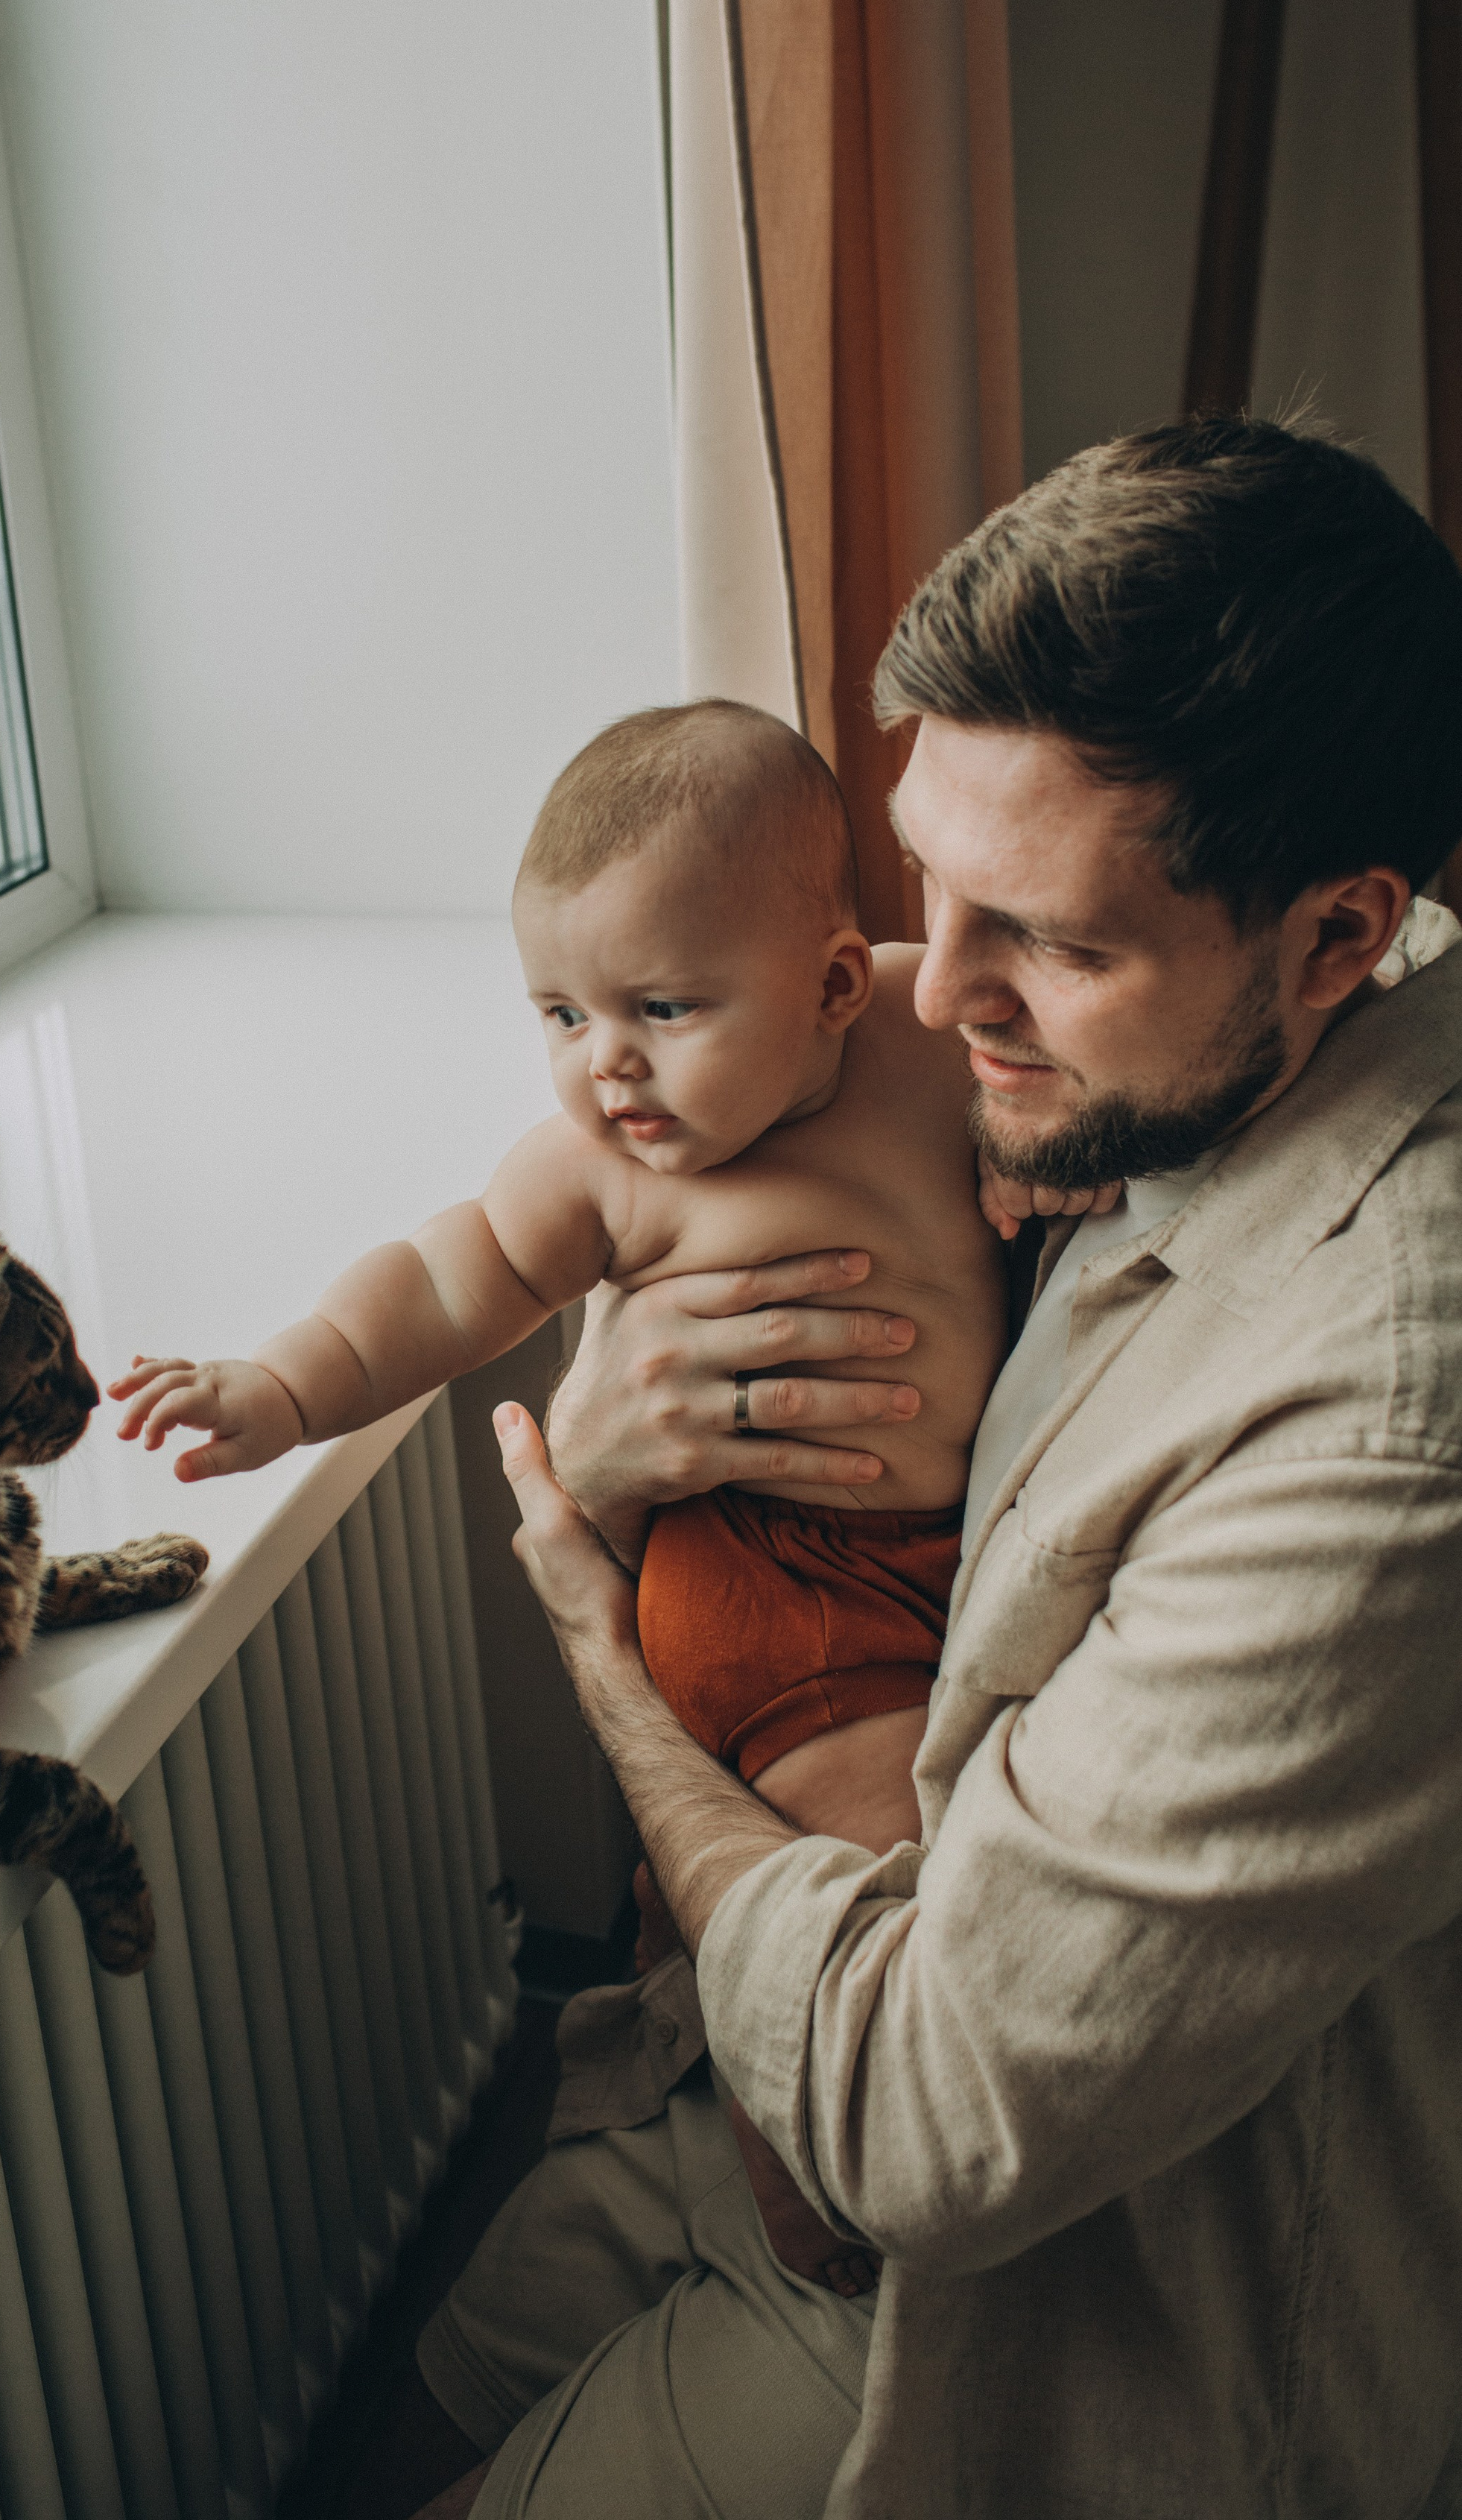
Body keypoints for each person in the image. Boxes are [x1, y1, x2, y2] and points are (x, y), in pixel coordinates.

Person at [399, 416, 1462, 2520]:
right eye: (924, 883)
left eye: (1048, 940)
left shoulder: (1385, 1422)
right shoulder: (1172, 1053)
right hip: (750, 2040)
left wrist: (608, 1660)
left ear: (1339, 938)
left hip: (1031, 2303)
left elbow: (923, 2126)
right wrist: (612, 1456)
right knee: (424, 2386)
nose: (934, 990)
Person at [110, 701, 1103, 1860]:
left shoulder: (920, 1023)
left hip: (967, 1532)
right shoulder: (590, 1176)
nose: (607, 1063)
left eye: (663, 1009)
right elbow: (436, 1286)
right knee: (906, 1853)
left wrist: (1046, 1150)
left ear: (833, 987)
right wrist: (282, 1387)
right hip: (771, 1589)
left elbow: (1060, 1062)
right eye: (564, 1015)